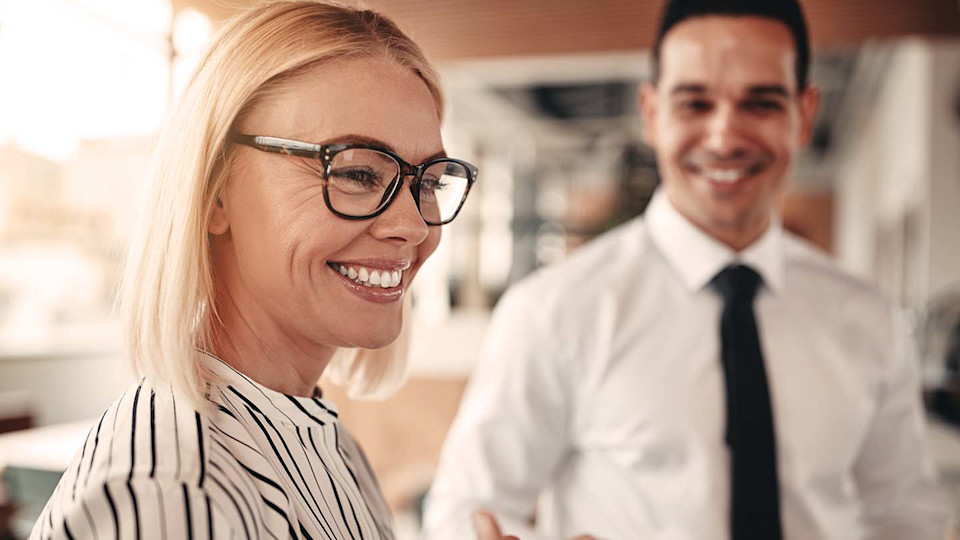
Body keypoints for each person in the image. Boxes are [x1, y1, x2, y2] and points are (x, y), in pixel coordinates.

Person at [423, 1, 950, 539]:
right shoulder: (554, 310)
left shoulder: (868, 316)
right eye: (694, 103)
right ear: (652, 113)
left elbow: (903, 508)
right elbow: (464, 510)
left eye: (761, 103)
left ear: (805, 115)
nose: (724, 136)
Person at [29, 2, 477, 538]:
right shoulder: (169, 499)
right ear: (215, 191)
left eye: (426, 182)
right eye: (357, 172)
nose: (413, 226)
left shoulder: (334, 449)